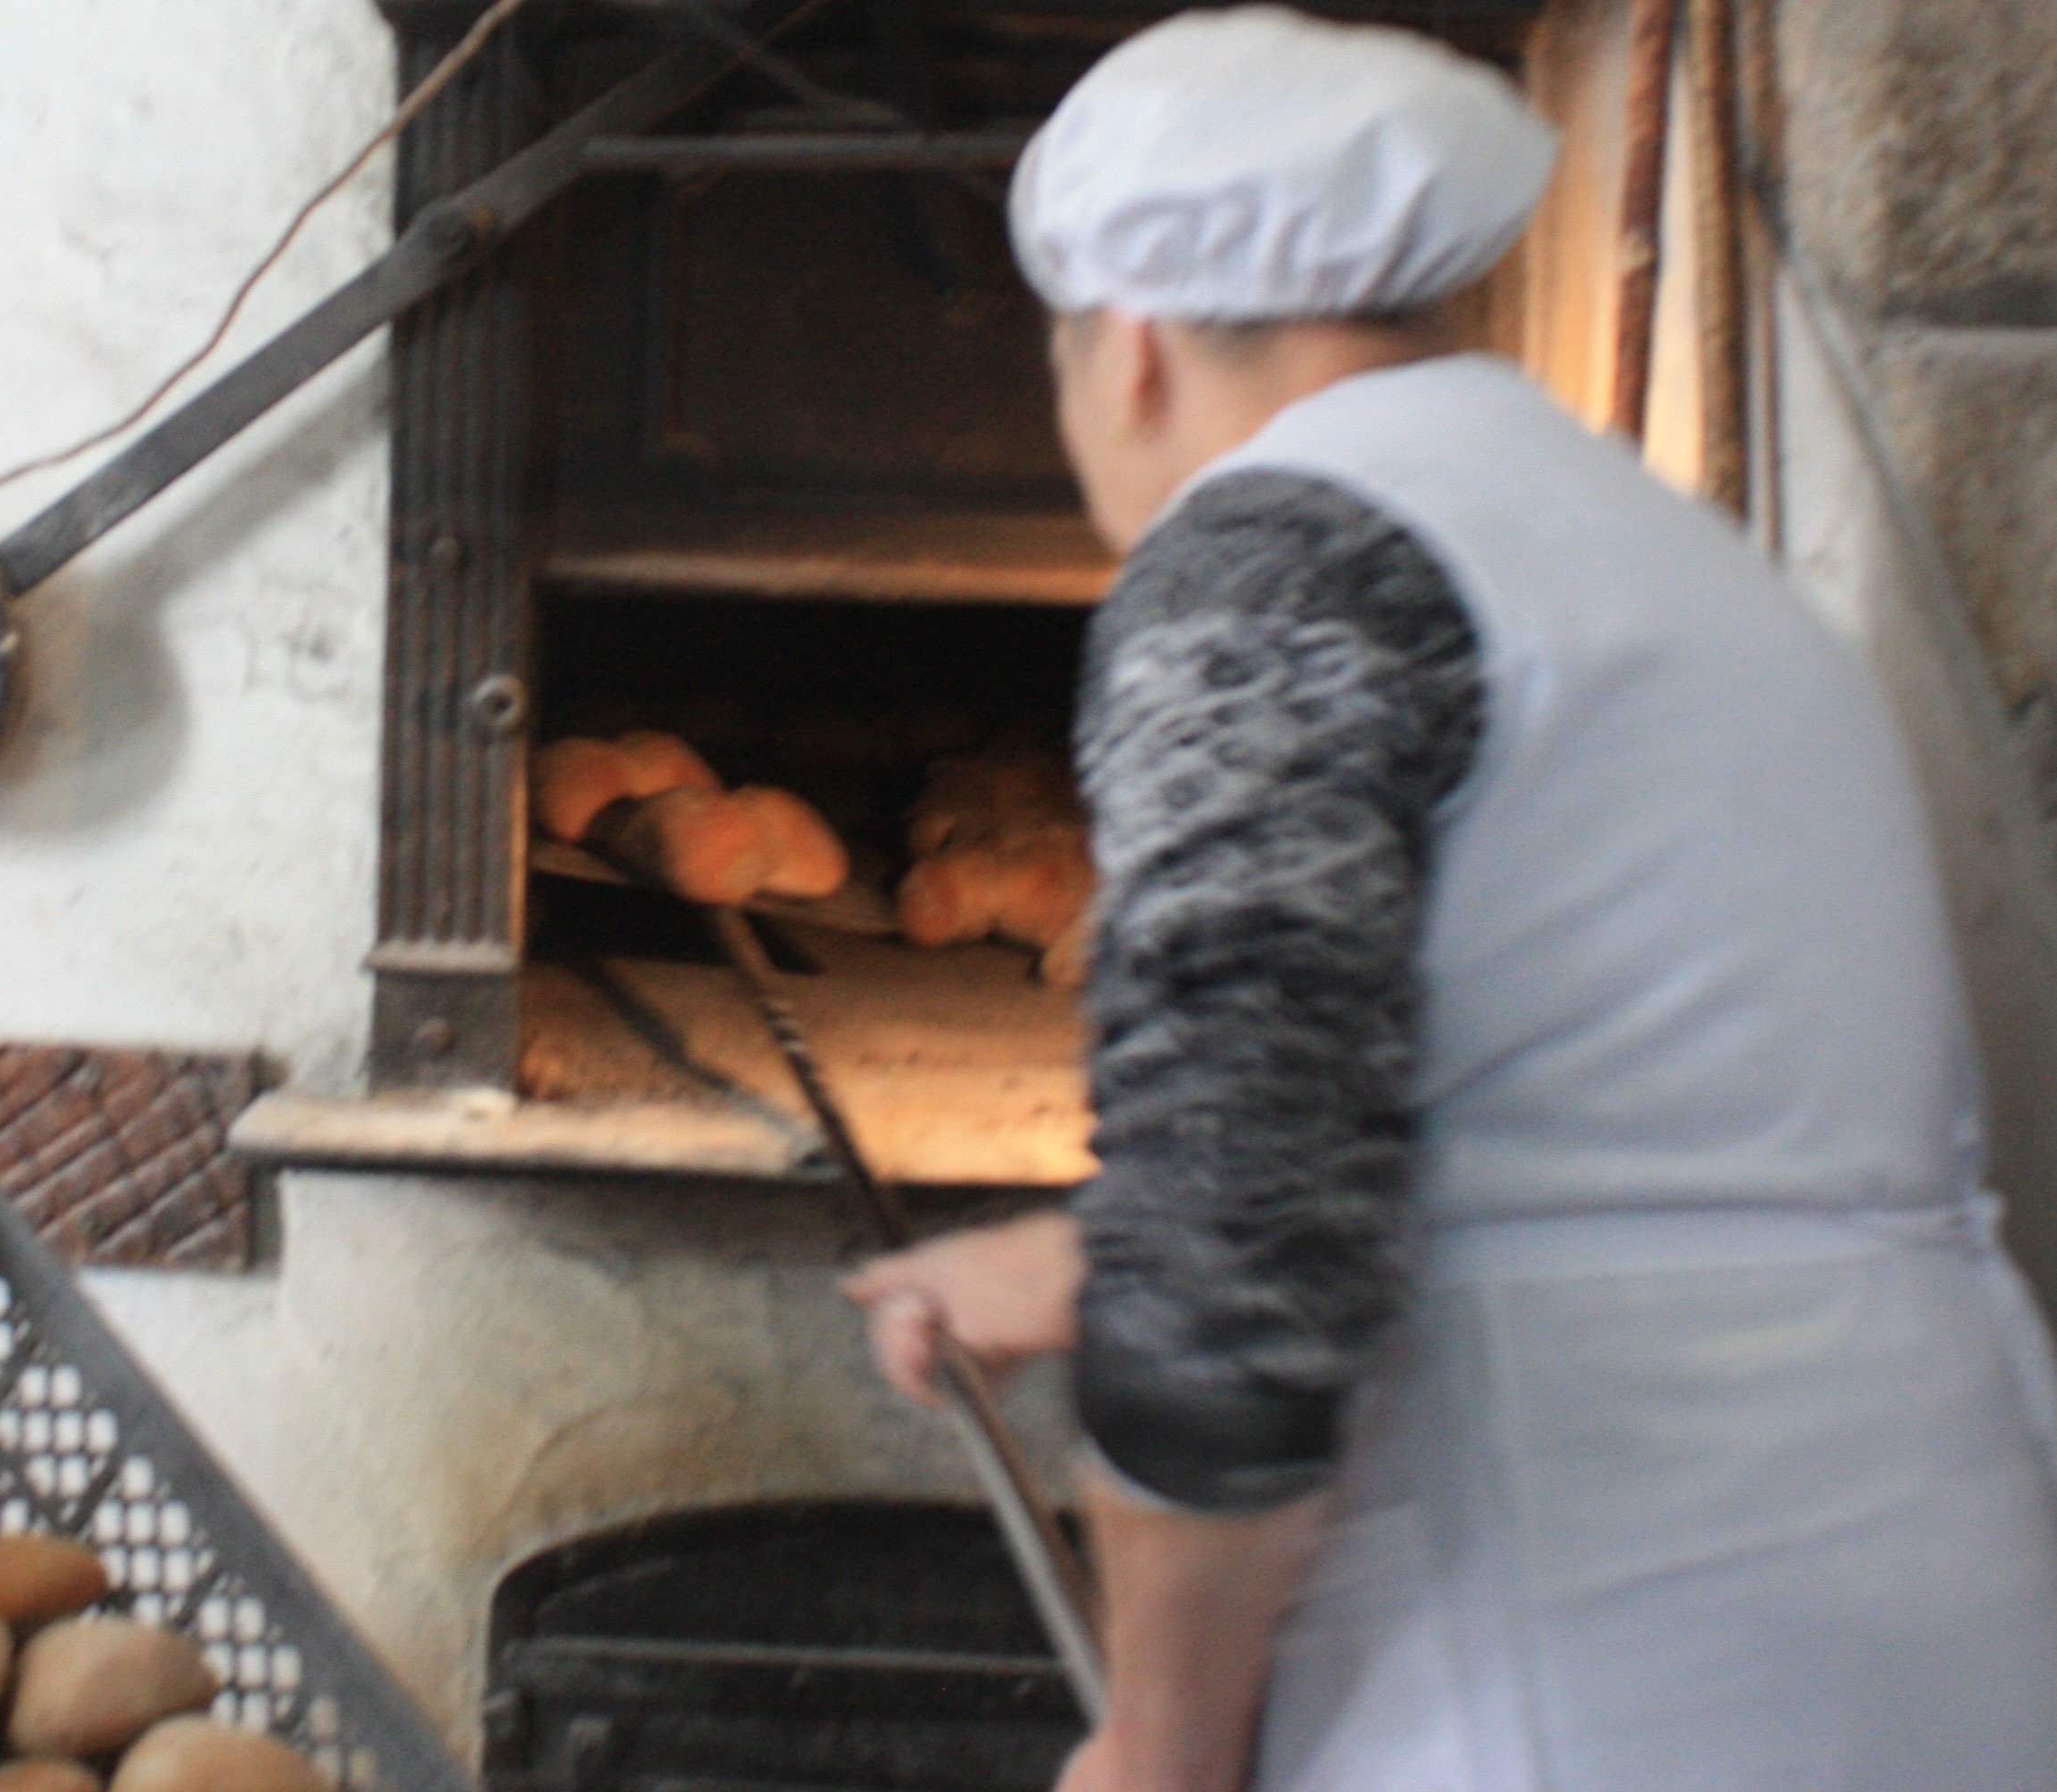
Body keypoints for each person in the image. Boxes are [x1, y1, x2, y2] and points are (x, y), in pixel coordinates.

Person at [842, 9, 2057, 1790]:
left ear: (1134, 350)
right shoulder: (1675, 557)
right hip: (1935, 1608)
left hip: (1581, 1645)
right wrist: (1099, 1253)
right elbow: (1636, 1133)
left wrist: (1163, 1748)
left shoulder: (1270, 560)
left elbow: (1237, 1275)